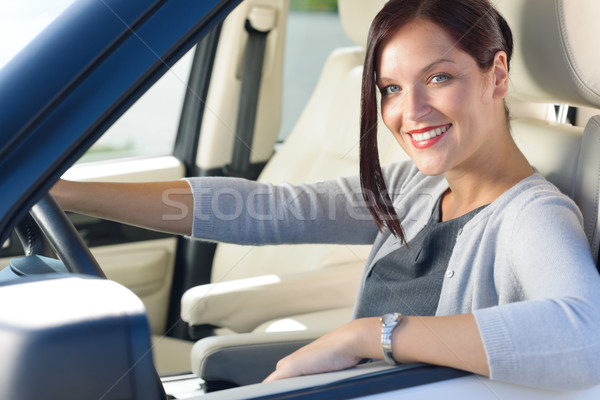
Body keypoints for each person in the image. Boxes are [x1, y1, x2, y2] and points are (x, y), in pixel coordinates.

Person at [52, 0, 600, 391]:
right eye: (391, 89)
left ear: (496, 74)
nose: (410, 112)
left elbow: (587, 338)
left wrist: (371, 335)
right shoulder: (416, 186)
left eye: (438, 78)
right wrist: (67, 193)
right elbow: (265, 209)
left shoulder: (533, 215)